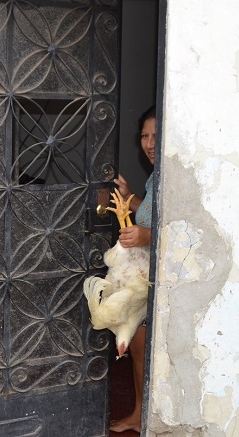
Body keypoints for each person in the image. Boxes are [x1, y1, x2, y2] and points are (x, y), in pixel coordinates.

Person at [110, 104, 157, 434]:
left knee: (141, 350)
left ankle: (145, 415)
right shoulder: (157, 175)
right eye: (144, 135)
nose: (150, 143)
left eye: (156, 135)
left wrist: (147, 236)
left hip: (160, 282)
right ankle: (141, 414)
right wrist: (131, 199)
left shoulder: (175, 172)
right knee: (138, 349)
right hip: (145, 279)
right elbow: (154, 211)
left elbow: (179, 227)